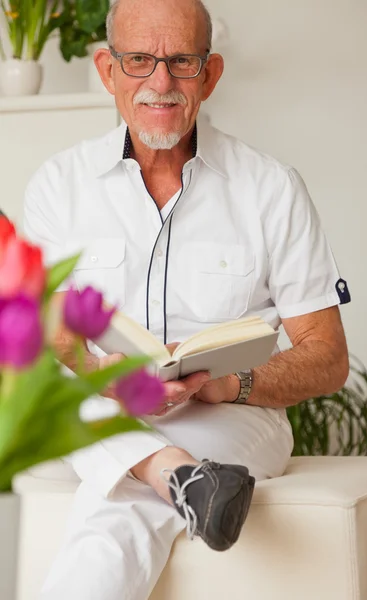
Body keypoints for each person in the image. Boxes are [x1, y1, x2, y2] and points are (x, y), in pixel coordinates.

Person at [23, 0, 350, 598]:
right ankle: (181, 477)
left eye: (182, 62)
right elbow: (54, 340)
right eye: (140, 60)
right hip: (105, 403)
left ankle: (169, 471)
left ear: (212, 73)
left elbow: (327, 357)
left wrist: (230, 383)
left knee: (117, 504)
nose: (160, 83)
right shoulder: (59, 185)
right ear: (107, 70)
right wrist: (110, 374)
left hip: (234, 416)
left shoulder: (271, 188)